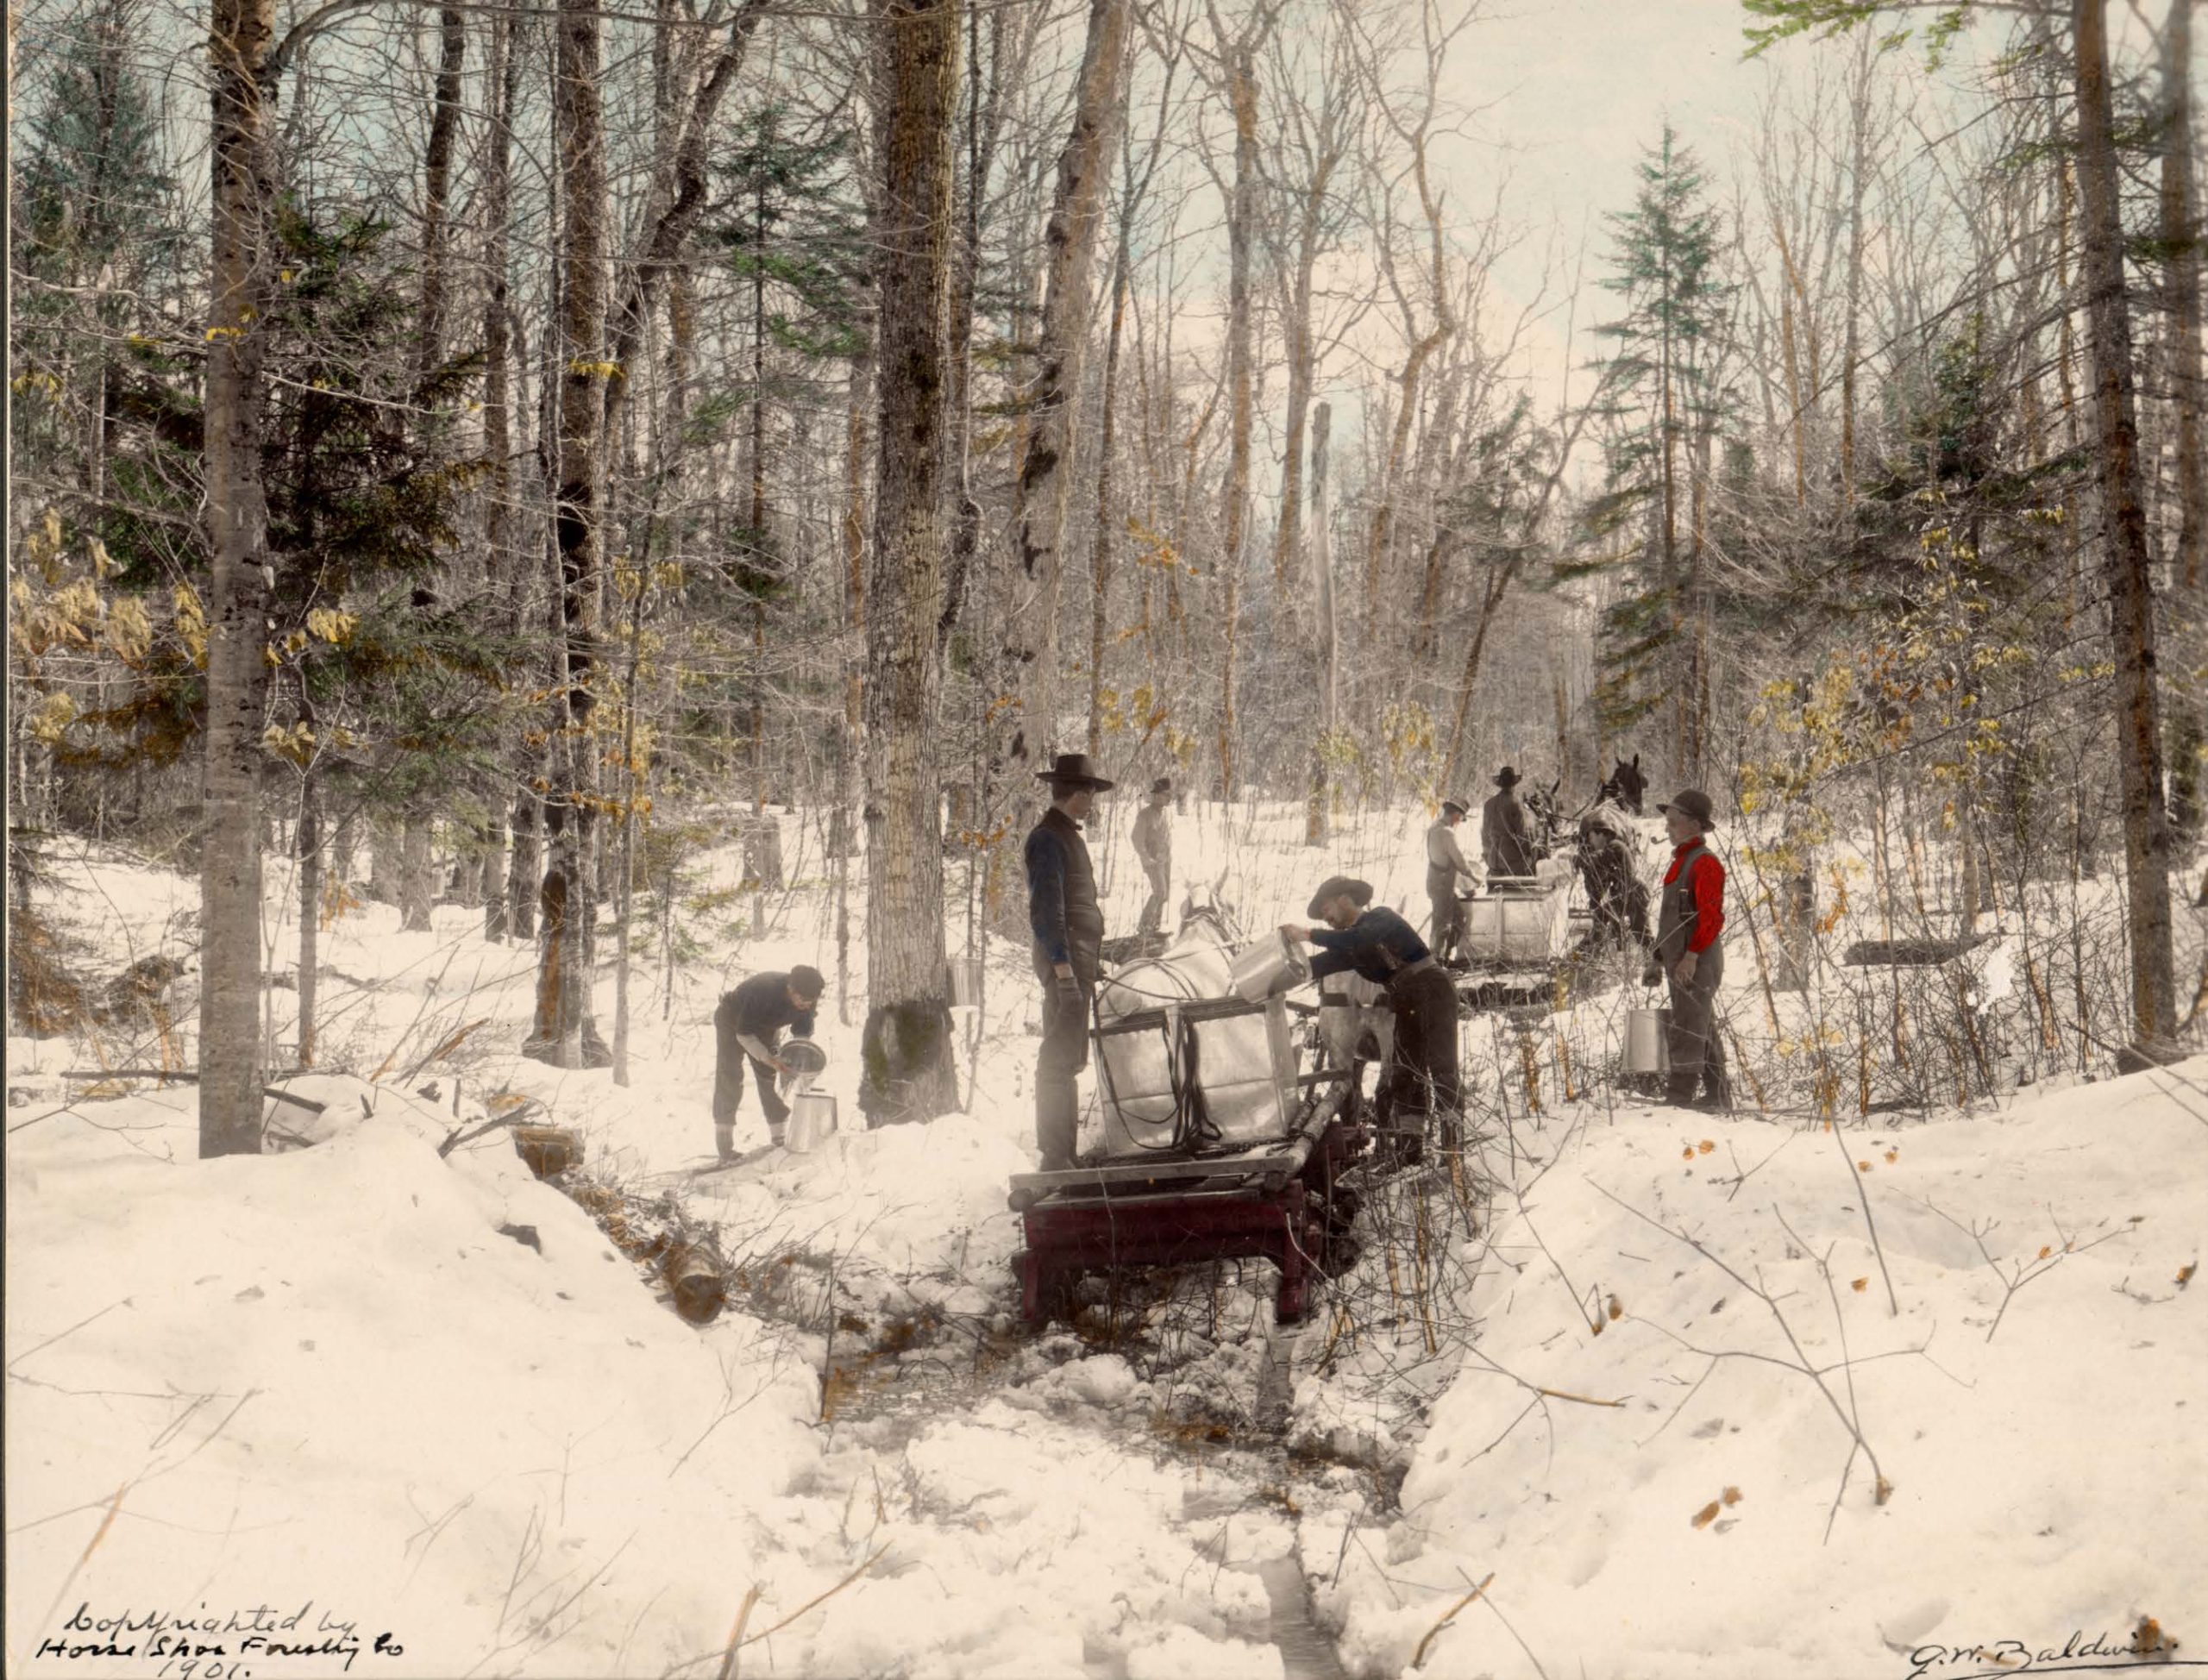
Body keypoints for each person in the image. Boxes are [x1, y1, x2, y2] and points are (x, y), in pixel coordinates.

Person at [1283, 876, 1461, 1154]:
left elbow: (1360, 937)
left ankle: (1453, 1147)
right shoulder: (1351, 947)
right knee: (1406, 1074)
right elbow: (1314, 967)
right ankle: (1409, 1150)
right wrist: (1278, 970)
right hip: (1405, 1000)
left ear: (1345, 899)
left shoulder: (1379, 918)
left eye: (1327, 909)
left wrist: (1307, 934)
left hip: (1432, 991)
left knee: (1442, 1070)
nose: (1326, 918)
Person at [1027, 752, 1114, 1171]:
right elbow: (1048, 912)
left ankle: (1065, 1154)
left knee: (1070, 1060)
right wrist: (1063, 971)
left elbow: (1076, 909)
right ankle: (1054, 1157)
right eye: (1090, 793)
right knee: (1058, 1061)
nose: (1093, 801)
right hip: (1065, 967)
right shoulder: (1047, 838)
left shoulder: (1067, 837)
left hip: (1077, 964)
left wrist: (1087, 961)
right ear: (1077, 794)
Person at [1641, 789, 1733, 1112]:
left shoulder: (1705, 864)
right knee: (1699, 1022)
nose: (1668, 829)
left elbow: (1711, 918)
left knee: (1687, 1027)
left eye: (1674, 823)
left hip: (1699, 960)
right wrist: (1657, 958)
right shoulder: (1680, 862)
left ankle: (1678, 1099)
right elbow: (1671, 919)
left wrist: (1692, 957)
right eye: (1667, 822)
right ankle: (1718, 1095)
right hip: (1680, 960)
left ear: (1695, 824)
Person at [712, 964, 825, 1158]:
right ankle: (725, 1146)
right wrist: (768, 1058)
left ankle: (780, 1138)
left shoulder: (808, 998)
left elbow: (801, 1037)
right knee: (730, 1075)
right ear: (790, 989)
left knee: (769, 1078)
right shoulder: (764, 990)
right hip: (732, 1021)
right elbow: (744, 1034)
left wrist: (796, 1064)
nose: (807, 1005)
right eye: (803, 1000)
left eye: (811, 1002)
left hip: (766, 1027)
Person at [1425, 798, 1477, 966]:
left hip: (1435, 882)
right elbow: (1459, 860)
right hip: (1442, 884)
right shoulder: (1447, 832)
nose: (1460, 822)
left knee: (1457, 916)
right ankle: (1437, 961)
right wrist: (1474, 878)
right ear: (1456, 814)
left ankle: (1444, 956)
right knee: (1443, 923)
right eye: (1461, 818)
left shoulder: (1434, 828)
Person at [1132, 776, 1174, 937]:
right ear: (1156, 796)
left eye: (1169, 794)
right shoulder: (1145, 815)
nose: (1168, 797)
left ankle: (1154, 928)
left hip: (1165, 860)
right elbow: (1136, 838)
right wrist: (1146, 857)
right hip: (1153, 861)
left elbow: (1165, 837)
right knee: (1160, 892)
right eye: (1165, 794)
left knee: (1165, 893)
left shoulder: (1163, 814)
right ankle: (1144, 928)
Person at [1483, 766, 1537, 879]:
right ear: (1514, 785)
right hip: (1512, 862)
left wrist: (1488, 856)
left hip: (1493, 860)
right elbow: (1522, 835)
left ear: (1500, 784)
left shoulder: (1488, 804)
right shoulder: (1516, 804)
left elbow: (1484, 834)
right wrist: (1529, 856)